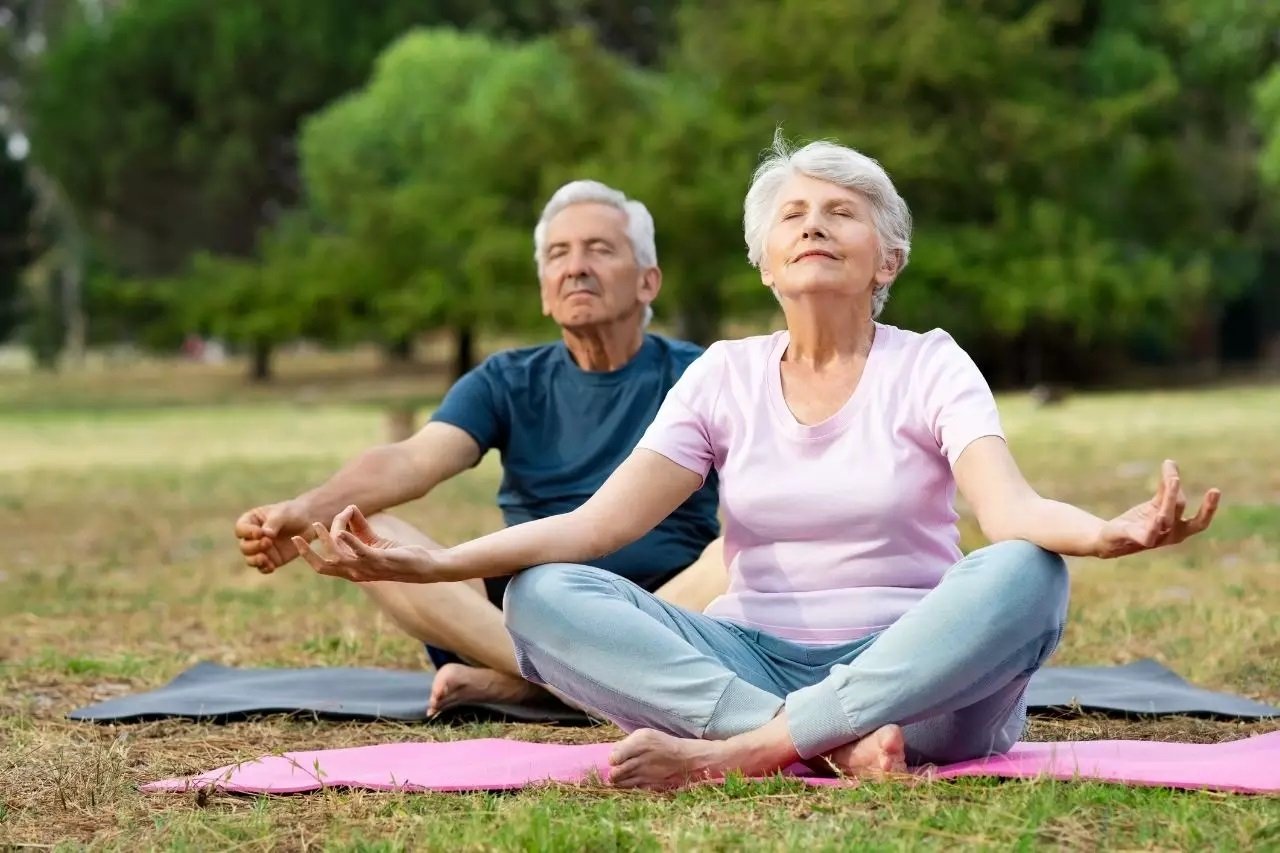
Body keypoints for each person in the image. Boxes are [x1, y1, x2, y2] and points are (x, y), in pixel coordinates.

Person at [291, 135, 1221, 789]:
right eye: (794, 213)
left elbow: (1009, 512)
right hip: (753, 663)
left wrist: (1108, 531)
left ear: (886, 254)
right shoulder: (725, 375)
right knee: (544, 593)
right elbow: (597, 527)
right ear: (765, 260)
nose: (814, 224)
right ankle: (809, 740)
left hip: (918, 679)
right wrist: (440, 561)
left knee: (1026, 573)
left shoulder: (931, 361)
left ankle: (745, 751)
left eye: (842, 213)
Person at [234, 180, 726, 715]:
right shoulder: (506, 379)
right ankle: (573, 682)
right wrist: (307, 510)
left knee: (737, 554)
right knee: (363, 530)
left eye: (600, 250)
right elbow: (414, 460)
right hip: (524, 612)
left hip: (665, 606)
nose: (575, 267)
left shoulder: (702, 374)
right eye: (558, 254)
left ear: (648, 282)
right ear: (544, 289)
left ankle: (531, 685)